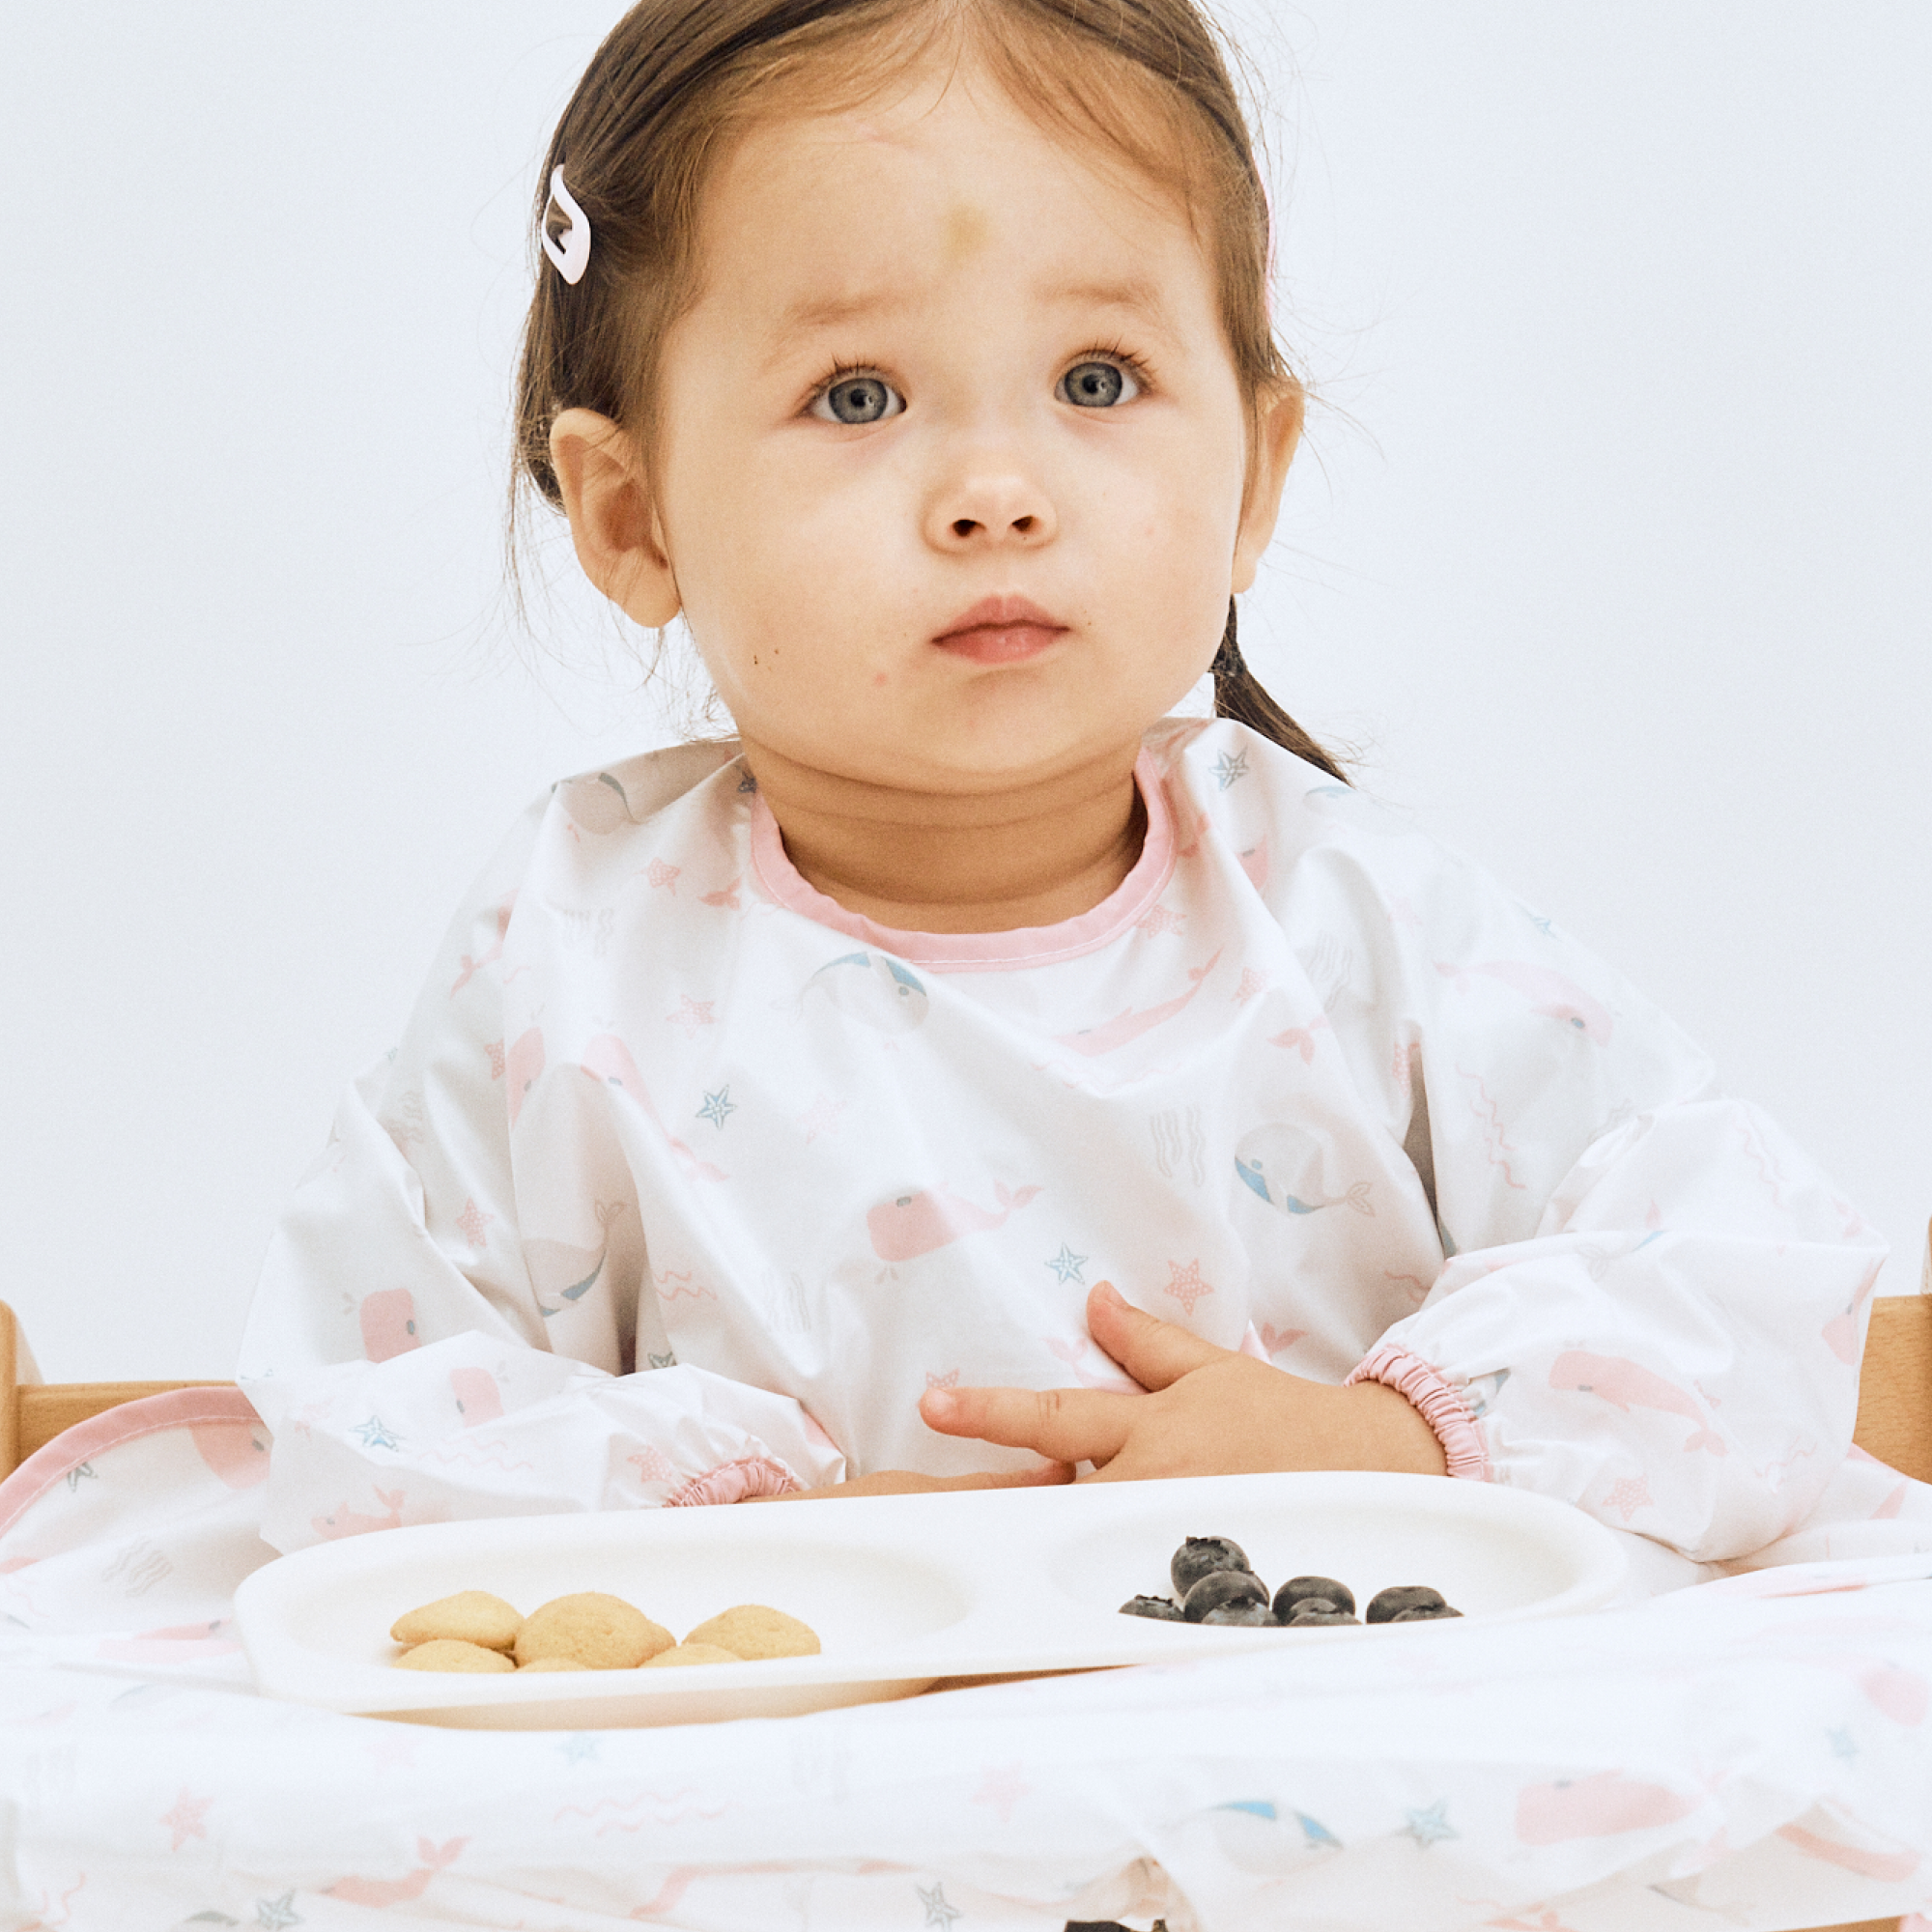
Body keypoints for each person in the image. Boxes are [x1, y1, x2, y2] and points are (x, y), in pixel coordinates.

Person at [237, 0, 1911, 1583]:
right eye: (858, 396)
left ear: (1255, 475)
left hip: (1314, 1727)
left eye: (1097, 380)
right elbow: (360, 1415)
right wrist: (753, 1524)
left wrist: (1390, 1440)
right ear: (632, 515)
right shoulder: (579, 955)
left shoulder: (1354, 922)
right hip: (816, 1750)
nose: (995, 492)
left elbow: (1748, 1272)